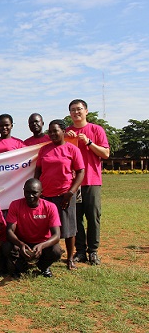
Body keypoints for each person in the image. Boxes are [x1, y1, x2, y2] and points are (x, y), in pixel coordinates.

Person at [35, 119, 84, 270]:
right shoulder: (44, 150)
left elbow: (81, 171)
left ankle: (70, 258)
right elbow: (38, 170)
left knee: (69, 228)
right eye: (50, 131)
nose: (52, 134)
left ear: (63, 131)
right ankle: (49, 255)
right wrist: (38, 188)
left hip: (65, 195)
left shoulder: (72, 149)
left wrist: (71, 192)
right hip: (46, 196)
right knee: (47, 229)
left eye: (55, 131)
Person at [66, 99, 110, 265]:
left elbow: (105, 153)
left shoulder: (96, 130)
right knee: (76, 218)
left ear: (86, 111)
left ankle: (93, 251)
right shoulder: (67, 132)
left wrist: (89, 142)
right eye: (72, 110)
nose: (76, 112)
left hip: (92, 181)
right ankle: (80, 251)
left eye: (79, 109)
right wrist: (64, 137)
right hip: (73, 183)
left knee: (93, 216)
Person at [2, 178, 63, 277]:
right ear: (23, 190)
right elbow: (9, 231)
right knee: (7, 247)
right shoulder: (15, 205)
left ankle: (43, 266)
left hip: (42, 243)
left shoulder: (50, 207)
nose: (30, 196)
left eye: (34, 193)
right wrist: (21, 244)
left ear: (41, 193)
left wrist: (42, 246)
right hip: (23, 242)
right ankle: (21, 266)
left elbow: (56, 235)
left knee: (56, 251)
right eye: (27, 192)